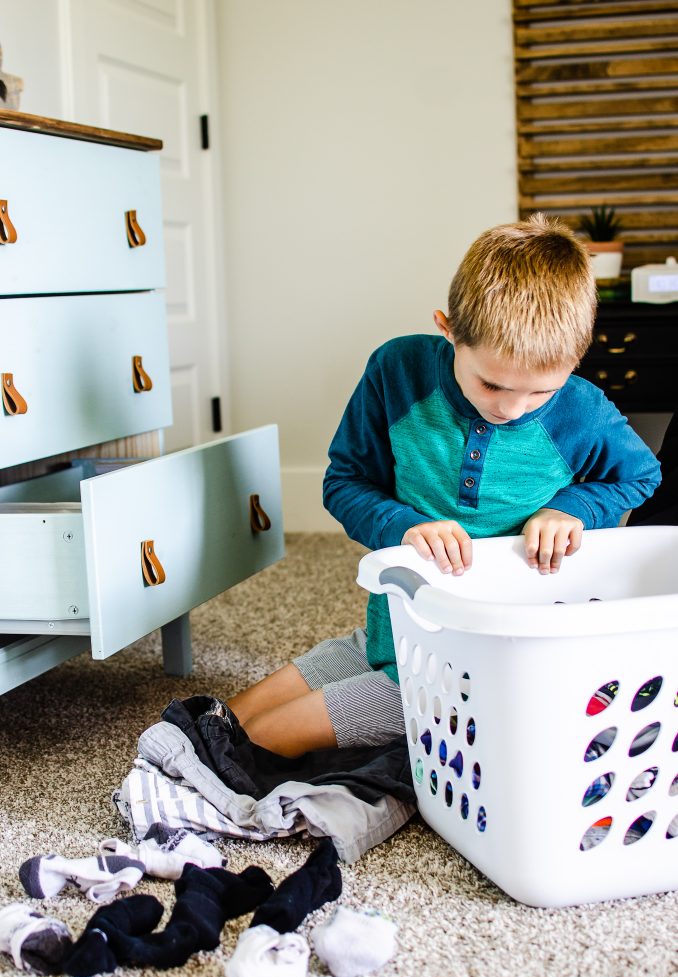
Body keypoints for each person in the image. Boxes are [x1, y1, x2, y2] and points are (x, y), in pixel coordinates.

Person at [228, 214, 661, 758]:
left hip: (475, 673)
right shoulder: (396, 370)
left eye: (539, 393)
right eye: (492, 383)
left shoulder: (582, 410)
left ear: (576, 359)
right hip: (394, 631)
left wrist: (570, 507)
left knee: (261, 742)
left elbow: (641, 475)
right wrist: (405, 527)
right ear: (448, 328)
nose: (509, 408)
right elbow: (345, 482)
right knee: (228, 721)